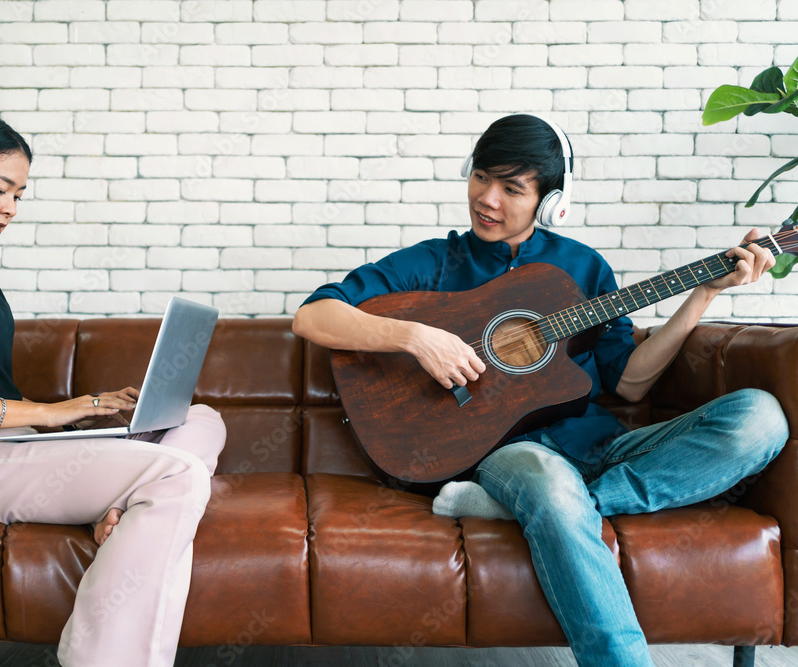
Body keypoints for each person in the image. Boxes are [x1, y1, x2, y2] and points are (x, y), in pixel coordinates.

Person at [292, 113, 789, 666]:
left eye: (512, 188)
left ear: (549, 202)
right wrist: (414, 337)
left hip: (599, 449)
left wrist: (703, 293)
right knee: (551, 485)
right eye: (481, 177)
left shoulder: (583, 269)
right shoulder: (435, 262)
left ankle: (527, 510)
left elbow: (629, 383)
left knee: (761, 418)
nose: (488, 199)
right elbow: (314, 316)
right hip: (514, 456)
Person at [0, 105, 226, 667]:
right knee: (179, 474)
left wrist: (56, 417)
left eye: (19, 196)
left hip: (14, 445)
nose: (9, 209)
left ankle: (123, 510)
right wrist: (49, 412)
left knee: (201, 420)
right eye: (1, 188)